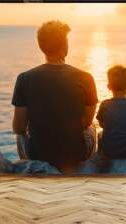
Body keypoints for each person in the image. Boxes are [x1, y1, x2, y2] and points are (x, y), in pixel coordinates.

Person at [12, 20, 98, 173]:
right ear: (64, 46)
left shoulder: (24, 78)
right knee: (92, 127)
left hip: (39, 154)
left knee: (20, 135)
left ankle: (32, 167)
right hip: (75, 154)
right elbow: (87, 122)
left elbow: (18, 127)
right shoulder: (86, 78)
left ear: (42, 47)